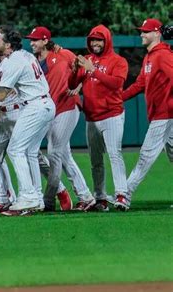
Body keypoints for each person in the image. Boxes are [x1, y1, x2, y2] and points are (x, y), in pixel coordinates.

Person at [0, 25, 56, 212]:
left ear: (7, 45)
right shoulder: (24, 55)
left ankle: (29, 196)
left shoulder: (14, 61)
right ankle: (36, 198)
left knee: (15, 149)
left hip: (35, 106)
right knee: (29, 152)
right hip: (44, 104)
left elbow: (0, 96)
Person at [26, 26, 96, 211]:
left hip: (66, 106)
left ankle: (48, 200)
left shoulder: (63, 53)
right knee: (64, 156)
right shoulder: (33, 61)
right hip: (48, 111)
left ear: (45, 40)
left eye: (35, 40)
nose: (32, 43)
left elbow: (85, 68)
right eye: (31, 40)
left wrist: (79, 87)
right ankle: (86, 196)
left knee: (54, 154)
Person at [68, 24, 129, 211]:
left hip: (112, 114)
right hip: (91, 117)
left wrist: (93, 70)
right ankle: (100, 197)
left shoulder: (118, 61)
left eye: (99, 39)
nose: (95, 43)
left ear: (107, 41)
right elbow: (72, 84)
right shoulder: (87, 60)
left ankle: (121, 195)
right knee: (95, 160)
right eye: (93, 39)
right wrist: (73, 70)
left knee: (114, 155)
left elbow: (116, 83)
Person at [122, 18, 173, 208]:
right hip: (164, 114)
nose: (141, 34)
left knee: (146, 155)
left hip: (165, 114)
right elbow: (140, 84)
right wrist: (119, 97)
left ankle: (124, 194)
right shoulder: (150, 56)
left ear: (157, 33)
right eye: (141, 31)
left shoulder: (163, 56)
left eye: (145, 31)